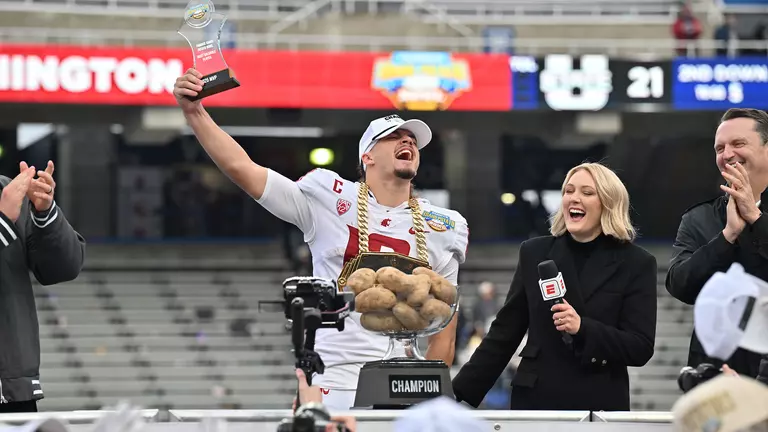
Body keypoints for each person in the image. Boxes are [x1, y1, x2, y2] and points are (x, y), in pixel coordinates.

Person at [173, 69, 469, 411]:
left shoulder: (445, 224)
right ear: (367, 157)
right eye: (393, 136)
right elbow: (244, 168)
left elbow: (444, 320)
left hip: (404, 369)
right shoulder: (328, 196)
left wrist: (432, 400)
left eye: (412, 139)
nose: (407, 142)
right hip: (336, 371)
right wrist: (194, 112)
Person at [452, 162, 657, 411]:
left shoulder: (637, 262)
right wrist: (456, 394)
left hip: (599, 402)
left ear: (609, 202)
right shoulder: (534, 252)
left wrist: (583, 328)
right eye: (568, 191)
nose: (574, 198)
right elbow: (504, 333)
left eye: (587, 192)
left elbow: (639, 347)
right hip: (537, 400)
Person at [666, 108, 768, 378]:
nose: (727, 154)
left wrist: (756, 219)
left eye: (738, 144)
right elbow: (680, 285)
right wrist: (727, 237)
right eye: (719, 148)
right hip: (715, 373)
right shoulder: (697, 218)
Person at [0, 161, 86, 413]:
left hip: (13, 391)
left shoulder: (6, 190)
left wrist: (44, 212)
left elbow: (65, 267)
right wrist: (3, 222)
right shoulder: (7, 199)